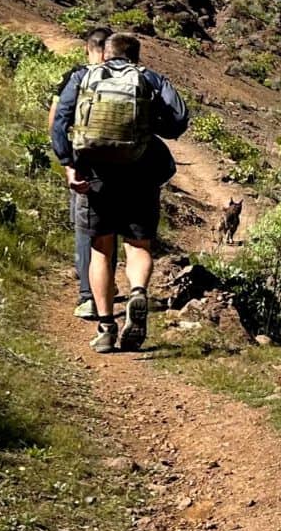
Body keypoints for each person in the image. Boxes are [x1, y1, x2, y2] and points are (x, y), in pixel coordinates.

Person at [51, 31, 191, 353]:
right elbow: (179, 121)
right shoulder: (151, 78)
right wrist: (146, 123)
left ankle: (105, 328)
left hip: (95, 173)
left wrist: (69, 164)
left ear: (105, 53)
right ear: (136, 56)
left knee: (101, 249)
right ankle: (138, 290)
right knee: (138, 245)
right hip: (141, 173)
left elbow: (60, 122)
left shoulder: (83, 76)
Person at [55, 28, 109, 319]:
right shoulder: (134, 78)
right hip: (124, 168)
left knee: (85, 229)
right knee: (109, 230)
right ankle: (107, 290)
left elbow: (57, 121)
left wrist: (68, 163)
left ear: (88, 49)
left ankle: (89, 295)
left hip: (85, 163)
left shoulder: (76, 77)